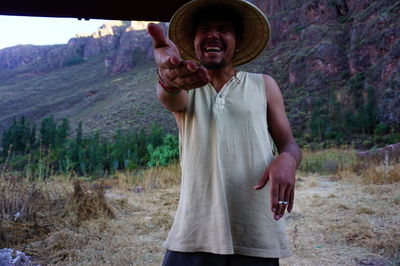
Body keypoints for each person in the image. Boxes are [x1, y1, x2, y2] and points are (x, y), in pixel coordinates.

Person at [147, 0, 302, 265]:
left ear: (237, 40)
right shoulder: (186, 87)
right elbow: (169, 95)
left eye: (224, 28)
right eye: (204, 28)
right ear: (195, 41)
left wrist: (287, 159)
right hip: (194, 234)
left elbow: (288, 143)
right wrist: (166, 77)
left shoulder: (263, 85)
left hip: (255, 234)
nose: (213, 35)